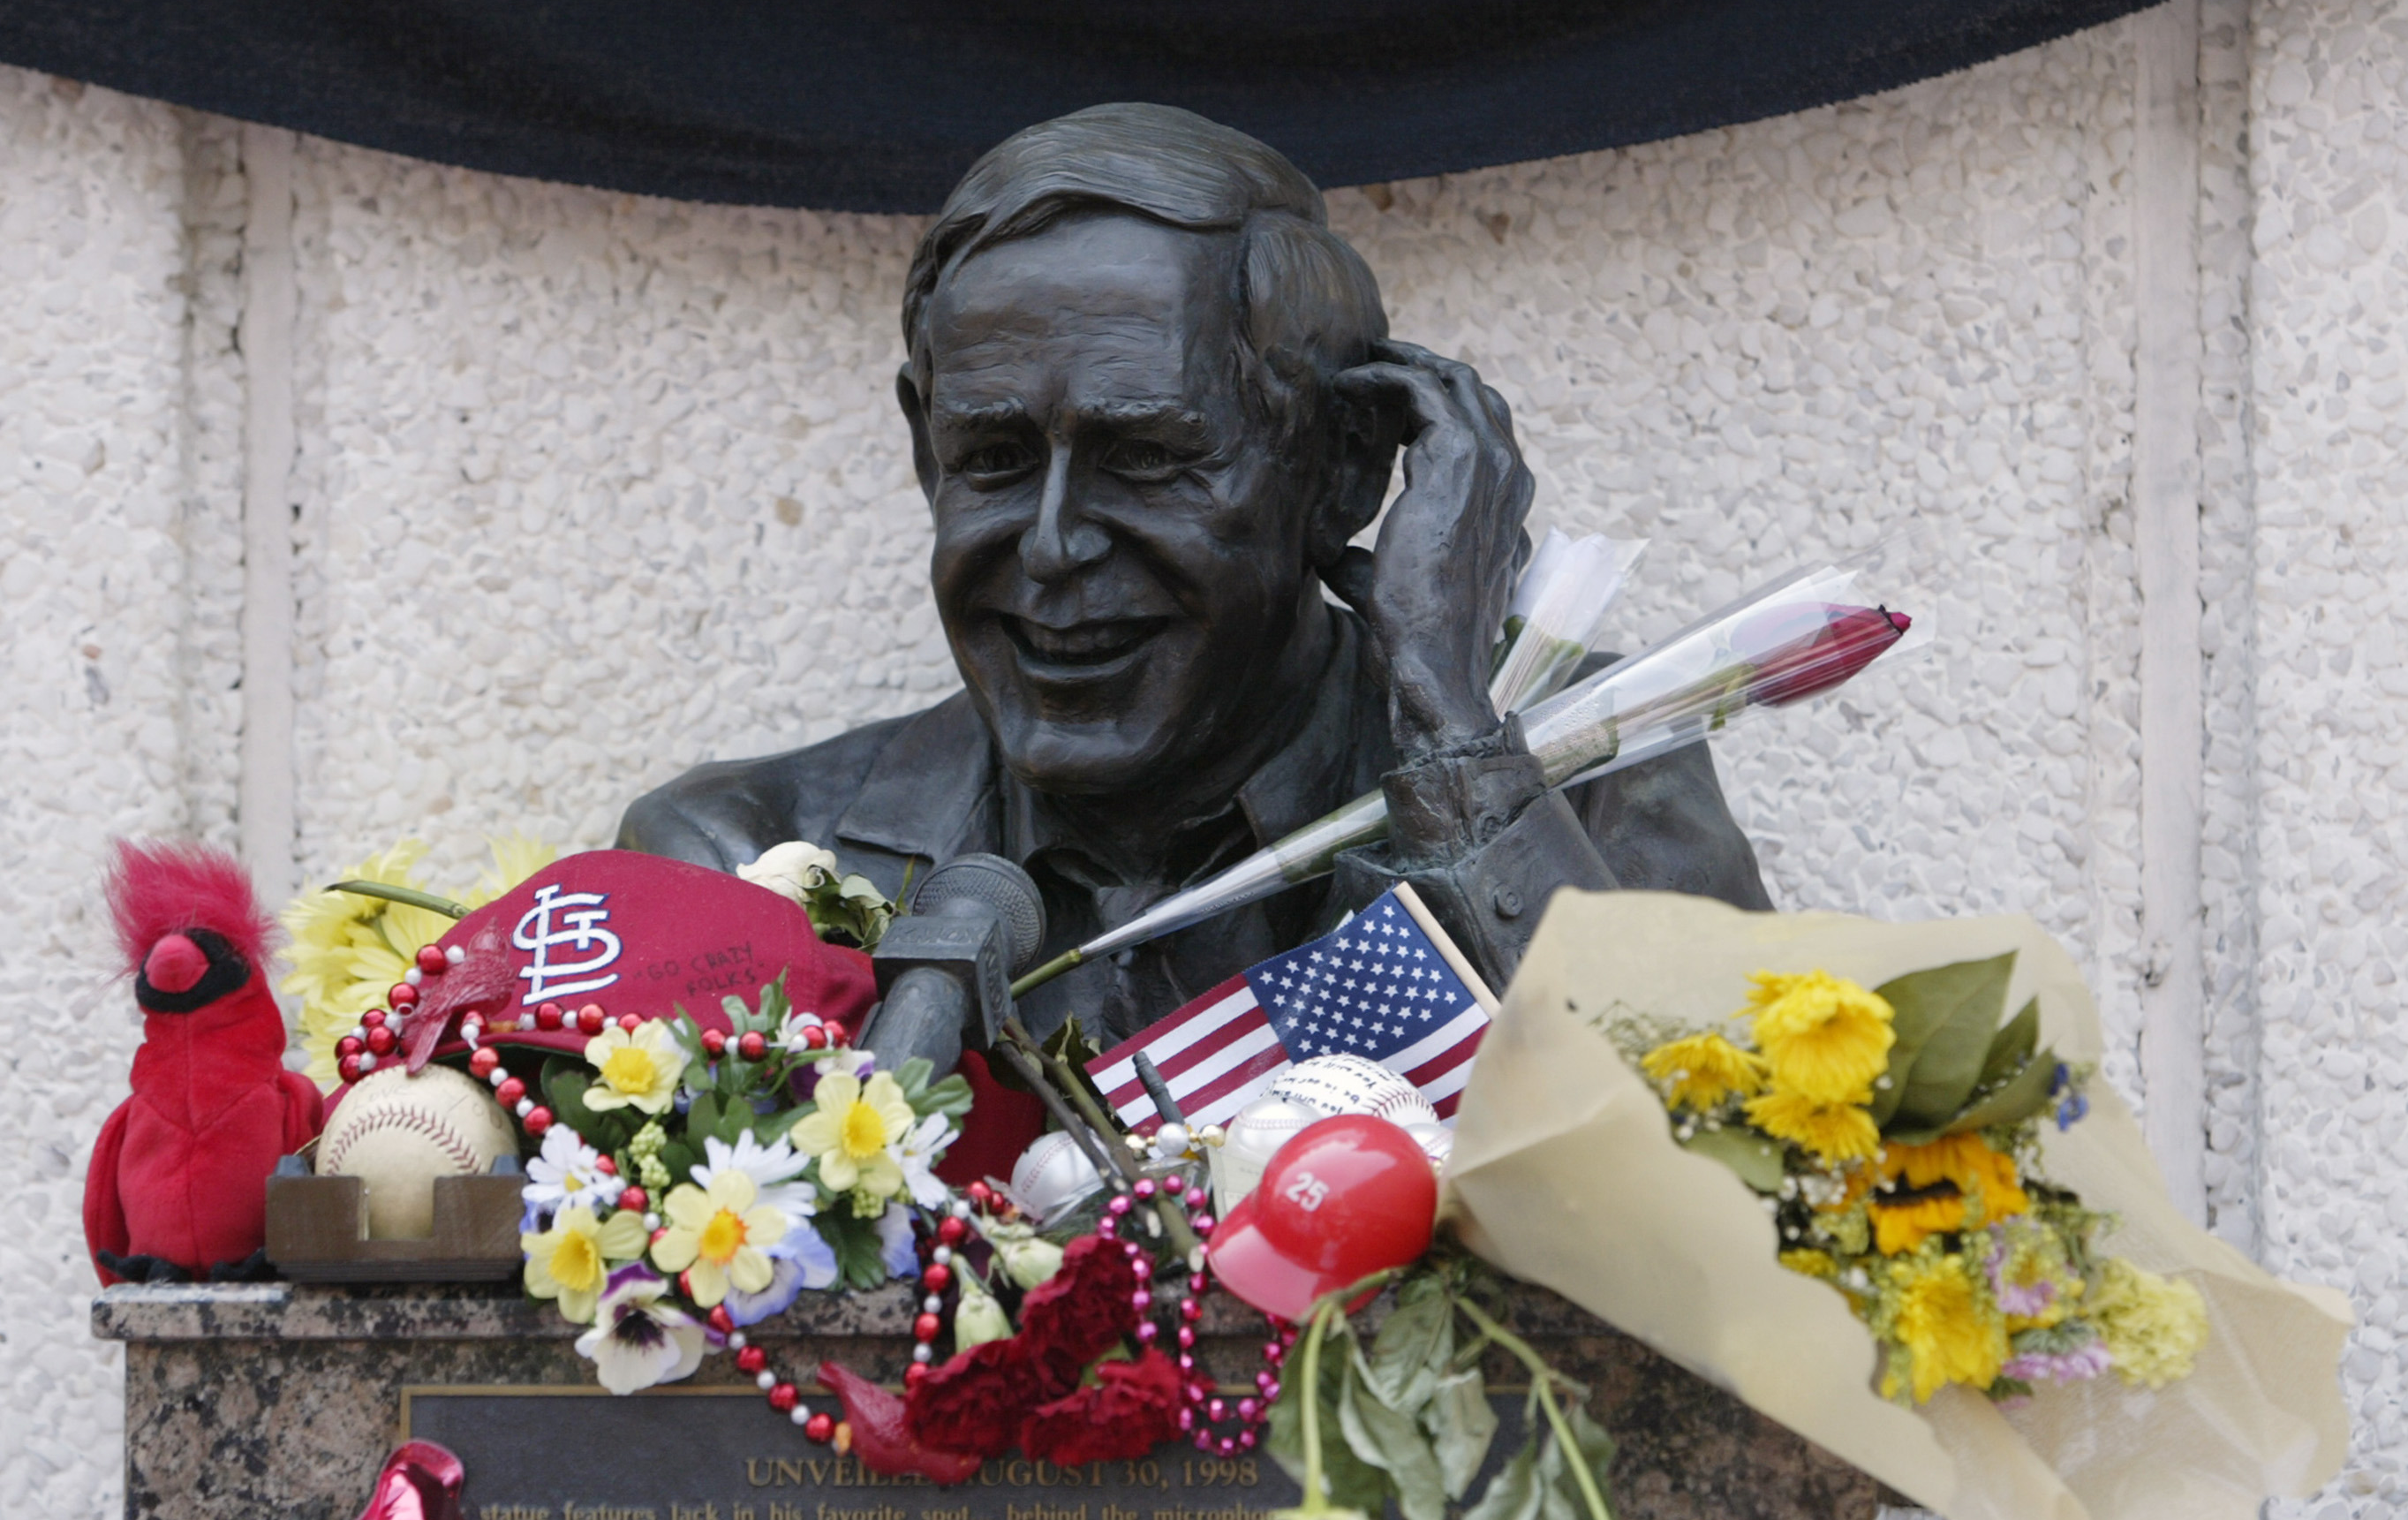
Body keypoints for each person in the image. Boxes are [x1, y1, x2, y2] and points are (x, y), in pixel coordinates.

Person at [622, 102, 1767, 1046]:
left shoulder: (1596, 769)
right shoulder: (739, 856)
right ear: (927, 450)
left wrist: (1455, 737)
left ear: (1344, 471)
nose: (1053, 546)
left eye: (1148, 459)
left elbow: (1731, 1189)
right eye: (994, 460)